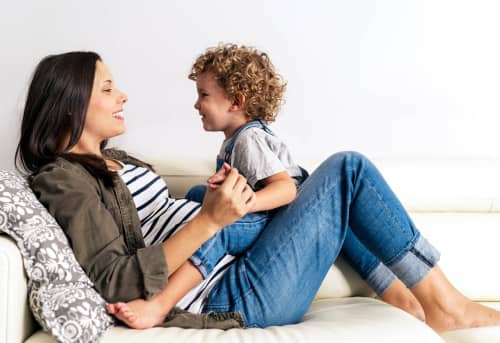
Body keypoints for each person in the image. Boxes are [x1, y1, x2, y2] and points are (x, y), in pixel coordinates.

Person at [16, 50, 500, 333]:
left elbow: (162, 215)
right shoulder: (63, 178)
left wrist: (205, 209)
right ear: (68, 102)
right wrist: (209, 220)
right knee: (346, 170)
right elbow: (116, 279)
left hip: (240, 265)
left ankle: (407, 298)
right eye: (107, 89)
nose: (122, 96)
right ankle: (444, 305)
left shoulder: (119, 160)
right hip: (229, 293)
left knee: (314, 184)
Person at [186, 44, 425, 321]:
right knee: (197, 194)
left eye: (203, 95)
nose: (196, 104)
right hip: (282, 211)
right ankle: (396, 291)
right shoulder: (235, 141)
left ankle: (396, 292)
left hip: (292, 207)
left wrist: (243, 204)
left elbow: (285, 188)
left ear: (236, 102)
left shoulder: (248, 141)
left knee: (349, 233)